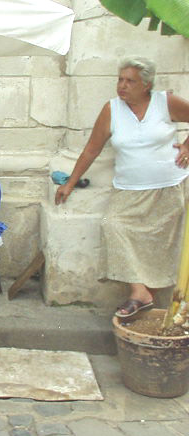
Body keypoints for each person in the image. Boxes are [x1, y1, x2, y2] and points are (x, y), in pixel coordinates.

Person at [55, 56, 189, 319]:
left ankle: (147, 296)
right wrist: (70, 183)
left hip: (168, 187)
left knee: (163, 242)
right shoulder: (112, 109)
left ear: (146, 85)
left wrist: (186, 146)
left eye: (130, 81)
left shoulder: (165, 102)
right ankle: (140, 292)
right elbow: (92, 149)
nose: (123, 86)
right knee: (112, 225)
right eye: (120, 80)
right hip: (129, 189)